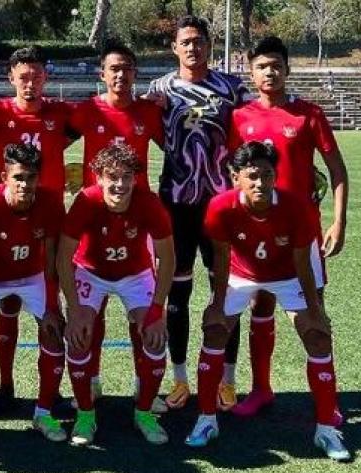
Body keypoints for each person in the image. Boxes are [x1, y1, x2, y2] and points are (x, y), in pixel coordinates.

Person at [185, 141, 350, 462]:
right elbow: (220, 257)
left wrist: (316, 311)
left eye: (267, 175)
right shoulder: (220, 206)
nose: (260, 183)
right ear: (235, 178)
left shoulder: (297, 207)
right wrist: (217, 304)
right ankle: (206, 419)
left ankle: (327, 428)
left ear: (276, 176)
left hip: (288, 274)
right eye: (252, 176)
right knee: (216, 330)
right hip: (241, 274)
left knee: (318, 338)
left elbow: (303, 263)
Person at [227, 36, 349, 418]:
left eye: (276, 65)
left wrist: (338, 221)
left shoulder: (308, 114)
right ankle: (261, 389)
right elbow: (232, 175)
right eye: (262, 66)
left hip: (302, 235)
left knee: (314, 313)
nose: (270, 72)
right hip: (256, 232)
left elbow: (337, 171)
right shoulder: (239, 117)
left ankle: (328, 398)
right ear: (251, 71)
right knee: (259, 305)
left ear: (287, 69)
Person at [148, 16, 248, 411]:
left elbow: (254, 129)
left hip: (221, 204)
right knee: (179, 291)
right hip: (177, 203)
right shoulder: (160, 89)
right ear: (175, 47)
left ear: (209, 45)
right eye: (185, 42)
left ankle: (227, 379)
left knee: (226, 291)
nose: (193, 48)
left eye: (199, 41)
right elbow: (148, 129)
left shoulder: (231, 88)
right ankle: (179, 379)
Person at [0, 46, 76, 414]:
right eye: (23, 76)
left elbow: (95, 118)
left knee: (51, 301)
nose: (30, 82)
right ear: (11, 78)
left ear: (46, 77)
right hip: (5, 218)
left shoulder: (61, 112)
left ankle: (52, 391)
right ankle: (5, 385)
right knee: (9, 302)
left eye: (36, 75)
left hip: (48, 220)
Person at [67, 39, 166, 409]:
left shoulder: (149, 113)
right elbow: (51, 139)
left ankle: (145, 386)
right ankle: (90, 381)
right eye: (113, 69)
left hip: (138, 219)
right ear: (102, 74)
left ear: (135, 73)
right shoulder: (86, 110)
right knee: (94, 308)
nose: (120, 75)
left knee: (136, 303)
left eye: (126, 68)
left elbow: (177, 149)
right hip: (94, 217)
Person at [57, 144, 175, 446]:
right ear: (98, 177)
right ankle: (85, 414)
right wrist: (74, 308)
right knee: (79, 335)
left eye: (126, 177)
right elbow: (63, 257)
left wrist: (157, 309)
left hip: (135, 274)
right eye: (112, 177)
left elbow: (167, 258)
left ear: (136, 178)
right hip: (90, 272)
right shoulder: (86, 201)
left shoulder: (149, 203)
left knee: (153, 335)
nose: (119, 185)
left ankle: (144, 412)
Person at [0, 143, 67, 446]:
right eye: (18, 177)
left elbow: (53, 259)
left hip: (31, 275)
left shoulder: (50, 202)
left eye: (31, 177)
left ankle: (43, 412)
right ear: (5, 176)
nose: (24, 184)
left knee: (55, 331)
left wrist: (51, 306)